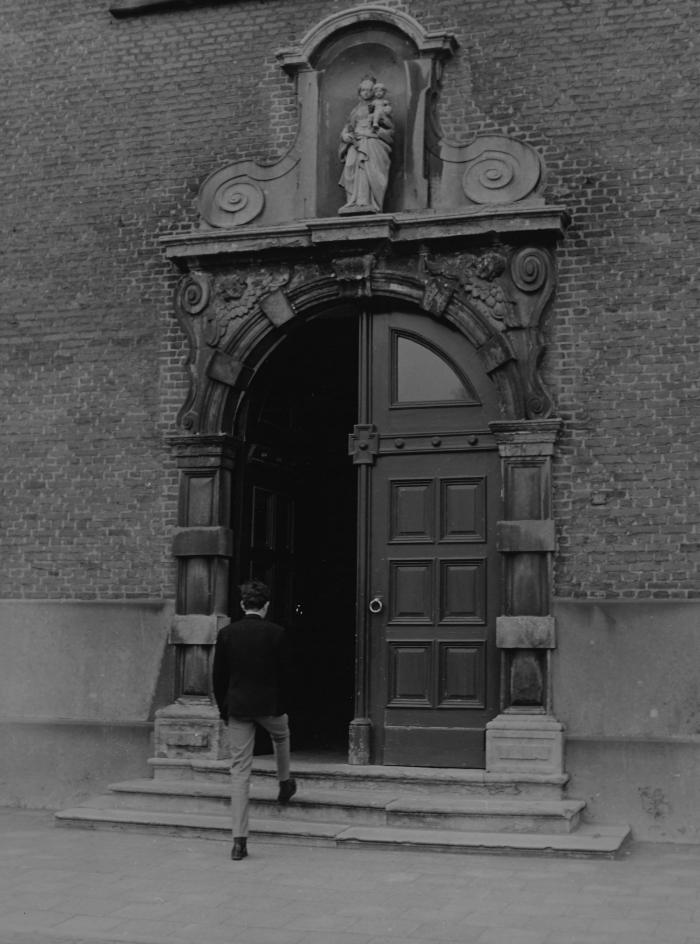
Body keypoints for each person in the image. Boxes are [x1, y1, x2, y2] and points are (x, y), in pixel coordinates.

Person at [212, 580, 296, 861]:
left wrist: (225, 710)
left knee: (240, 772)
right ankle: (284, 782)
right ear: (267, 606)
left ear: (241, 605)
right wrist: (282, 707)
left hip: (238, 708)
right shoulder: (277, 633)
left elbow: (218, 677)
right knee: (281, 736)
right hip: (270, 707)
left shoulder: (227, 634)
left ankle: (239, 841)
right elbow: (287, 675)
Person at [338, 75, 394, 214]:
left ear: (374, 91)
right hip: (356, 142)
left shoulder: (378, 107)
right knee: (352, 167)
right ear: (359, 91)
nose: (366, 92)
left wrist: (377, 130)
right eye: (363, 90)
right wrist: (345, 136)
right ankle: (354, 202)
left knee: (368, 170)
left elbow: (391, 130)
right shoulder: (355, 110)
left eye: (369, 90)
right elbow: (348, 126)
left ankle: (367, 202)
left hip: (372, 143)